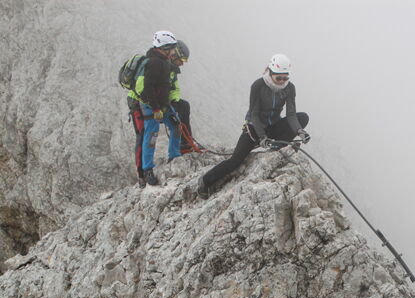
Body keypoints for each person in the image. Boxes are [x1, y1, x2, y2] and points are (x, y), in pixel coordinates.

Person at [197, 53, 311, 199]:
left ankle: (277, 147)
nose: (282, 81)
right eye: (279, 78)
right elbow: (254, 114)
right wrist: (262, 137)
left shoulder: (289, 88)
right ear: (270, 72)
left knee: (303, 117)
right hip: (254, 129)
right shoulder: (258, 85)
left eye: (285, 78)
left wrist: (300, 131)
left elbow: (291, 115)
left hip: (273, 126)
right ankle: (205, 181)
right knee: (235, 161)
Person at [129, 30, 182, 187]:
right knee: (151, 135)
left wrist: (164, 106)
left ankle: (174, 155)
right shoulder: (154, 63)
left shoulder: (162, 61)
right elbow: (148, 88)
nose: (173, 51)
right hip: (151, 105)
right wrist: (156, 109)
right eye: (171, 48)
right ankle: (147, 170)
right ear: (164, 47)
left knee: (176, 125)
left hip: (161, 104)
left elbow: (164, 86)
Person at [168, 40, 201, 152]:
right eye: (181, 60)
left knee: (184, 106)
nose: (182, 64)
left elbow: (175, 88)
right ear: (174, 55)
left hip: (164, 101)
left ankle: (186, 142)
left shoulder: (172, 70)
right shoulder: (162, 67)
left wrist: (174, 101)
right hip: (155, 103)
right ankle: (184, 144)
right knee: (178, 114)